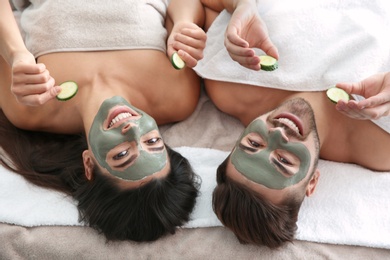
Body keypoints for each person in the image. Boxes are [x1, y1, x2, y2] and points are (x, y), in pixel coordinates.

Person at [0, 0, 207, 242]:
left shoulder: (30, 107)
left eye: (121, 155)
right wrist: (185, 24)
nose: (132, 131)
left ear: (88, 164)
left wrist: (15, 54)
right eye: (152, 142)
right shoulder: (177, 96)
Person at [195, 0, 390, 248]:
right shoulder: (383, 146)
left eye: (253, 143)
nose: (277, 133)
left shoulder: (229, 83)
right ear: (312, 182)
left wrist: (241, 5)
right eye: (284, 161)